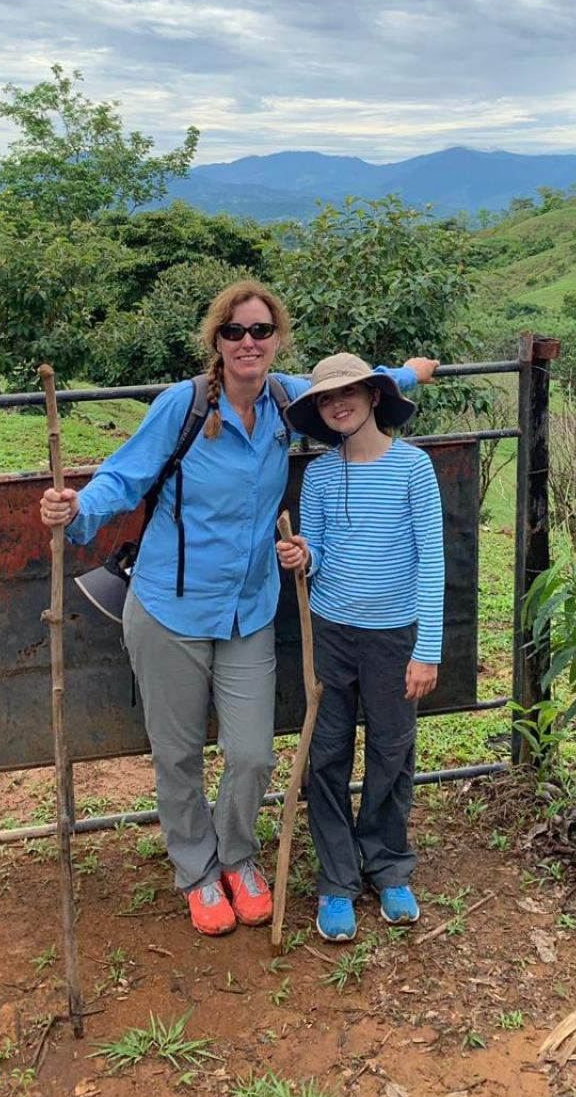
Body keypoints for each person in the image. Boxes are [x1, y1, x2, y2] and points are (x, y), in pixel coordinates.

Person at [39, 281, 437, 937]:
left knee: (252, 754)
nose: (248, 342)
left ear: (277, 339)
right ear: (216, 341)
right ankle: (198, 871)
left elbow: (352, 388)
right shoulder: (184, 405)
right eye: (234, 331)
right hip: (169, 608)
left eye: (260, 330)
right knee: (178, 756)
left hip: (248, 610)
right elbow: (123, 476)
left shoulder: (285, 400)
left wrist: (410, 374)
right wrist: (78, 506)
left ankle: (238, 857)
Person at [275, 352, 444, 942]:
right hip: (331, 632)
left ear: (375, 396)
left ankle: (388, 864)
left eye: (347, 393)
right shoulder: (321, 475)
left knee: (392, 749)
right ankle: (336, 878)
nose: (337, 404)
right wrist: (303, 555)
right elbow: (318, 553)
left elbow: (432, 561)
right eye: (325, 398)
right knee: (327, 753)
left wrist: (427, 649)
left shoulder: (413, 468)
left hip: (395, 637)